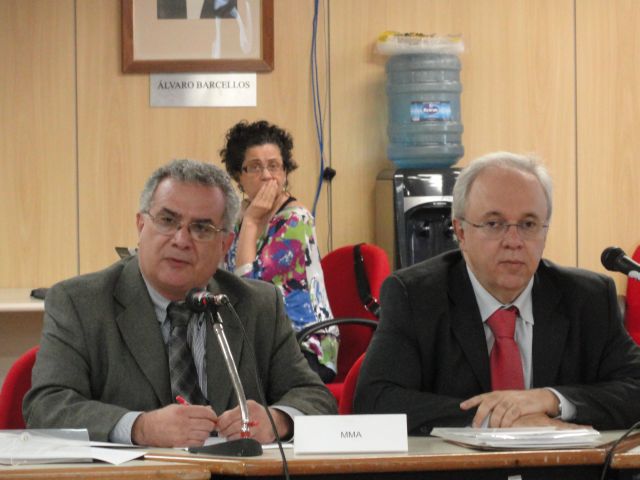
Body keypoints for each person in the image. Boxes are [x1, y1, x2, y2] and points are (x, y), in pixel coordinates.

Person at [23, 159, 337, 447]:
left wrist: (277, 420)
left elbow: (315, 397)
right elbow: (46, 405)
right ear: (141, 225)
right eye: (167, 220)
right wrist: (139, 427)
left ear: (225, 243)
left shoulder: (258, 304)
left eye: (201, 228)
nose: (181, 240)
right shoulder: (80, 302)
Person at [354, 151, 640, 433]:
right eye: (494, 224)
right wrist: (498, 418)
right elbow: (375, 401)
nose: (514, 241)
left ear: (545, 231)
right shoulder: (415, 297)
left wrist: (552, 400)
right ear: (461, 232)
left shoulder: (587, 298)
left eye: (528, 225)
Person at [220, 120, 339, 383]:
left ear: (285, 173)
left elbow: (251, 295)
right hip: (255, 344)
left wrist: (251, 222)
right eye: (255, 167)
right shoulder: (237, 219)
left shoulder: (296, 220)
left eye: (274, 166)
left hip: (304, 347)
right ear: (239, 176)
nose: (266, 175)